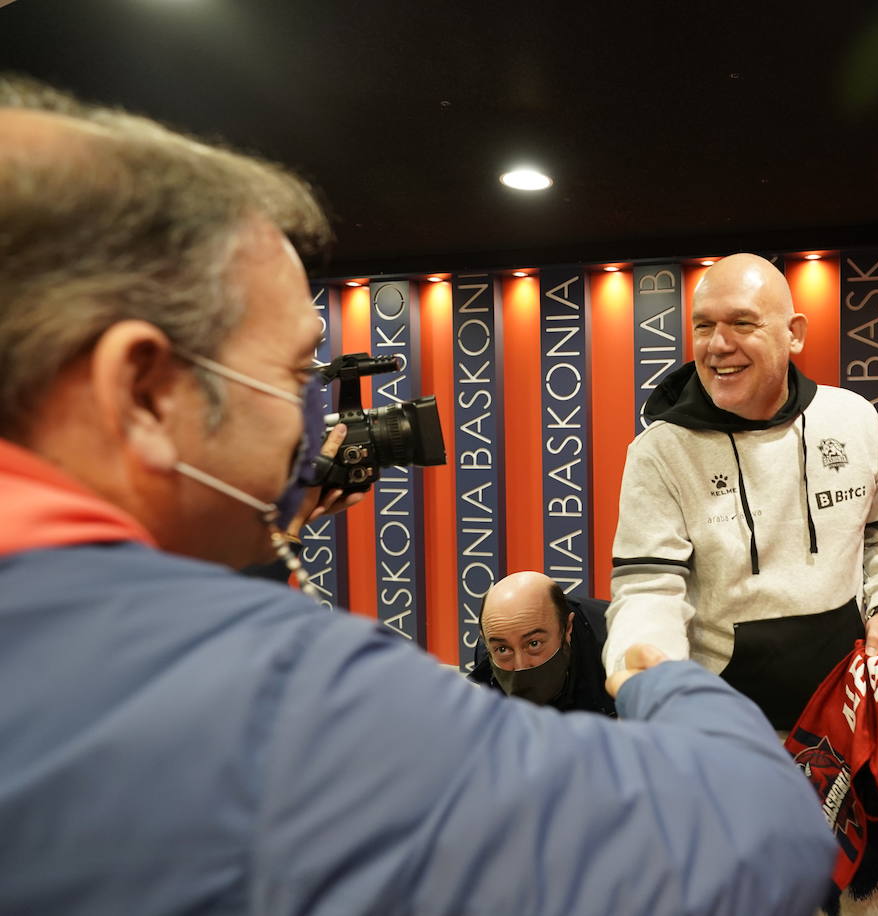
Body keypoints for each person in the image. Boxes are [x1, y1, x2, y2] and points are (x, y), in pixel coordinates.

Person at [0, 76, 835, 915]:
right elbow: (758, 830)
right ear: (144, 392)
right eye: (296, 375)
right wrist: (663, 682)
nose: (314, 426)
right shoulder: (276, 699)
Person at [603, 252, 878, 913]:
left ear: (794, 333)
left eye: (742, 323)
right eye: (703, 326)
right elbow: (647, 590)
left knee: (871, 900)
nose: (718, 345)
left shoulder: (853, 419)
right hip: (732, 738)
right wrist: (648, 671)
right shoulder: (660, 452)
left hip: (857, 729)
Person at [468, 571, 616, 716]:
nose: (521, 666)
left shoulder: (616, 647)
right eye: (503, 649)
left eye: (533, 644)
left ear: (567, 628)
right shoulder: (487, 655)